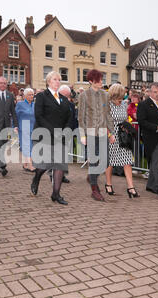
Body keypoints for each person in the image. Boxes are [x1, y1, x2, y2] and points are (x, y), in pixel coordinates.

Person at [30, 71, 71, 205]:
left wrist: (66, 131)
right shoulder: (42, 96)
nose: (57, 82)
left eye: (59, 80)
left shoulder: (64, 99)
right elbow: (39, 116)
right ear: (48, 81)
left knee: (59, 164)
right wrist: (53, 131)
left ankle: (56, 194)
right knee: (46, 164)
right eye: (55, 79)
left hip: (60, 136)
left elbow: (69, 118)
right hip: (45, 134)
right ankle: (37, 177)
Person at [78, 69, 116, 201]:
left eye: (101, 79)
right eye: (98, 80)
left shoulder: (105, 95)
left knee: (105, 162)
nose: (101, 82)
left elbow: (108, 116)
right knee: (94, 162)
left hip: (103, 132)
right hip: (90, 133)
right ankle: (95, 190)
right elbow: (81, 117)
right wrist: (82, 135)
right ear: (90, 81)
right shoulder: (84, 96)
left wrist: (111, 132)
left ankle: (91, 176)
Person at [105, 84, 139, 198]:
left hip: (122, 135)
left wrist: (127, 127)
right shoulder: (107, 105)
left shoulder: (124, 104)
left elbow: (125, 119)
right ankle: (108, 184)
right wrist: (109, 134)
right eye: (121, 94)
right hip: (111, 135)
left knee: (127, 161)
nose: (123, 96)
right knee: (110, 162)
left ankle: (131, 188)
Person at [137, 83, 158, 197]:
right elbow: (142, 121)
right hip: (151, 137)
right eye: (155, 92)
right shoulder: (143, 105)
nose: (157, 94)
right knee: (156, 163)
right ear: (150, 92)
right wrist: (155, 127)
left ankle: (150, 185)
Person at [15, 88, 36, 172]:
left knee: (31, 146)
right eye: (29, 95)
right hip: (24, 127)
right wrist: (15, 126)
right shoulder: (20, 104)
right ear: (25, 96)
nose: (31, 96)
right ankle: (31, 166)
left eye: (32, 94)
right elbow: (15, 116)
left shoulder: (35, 104)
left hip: (33, 127)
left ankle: (25, 164)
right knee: (28, 146)